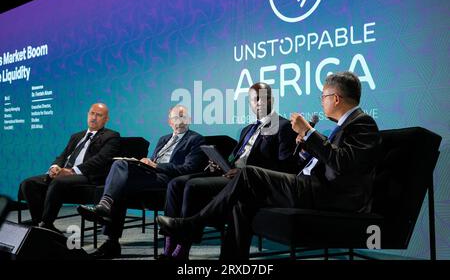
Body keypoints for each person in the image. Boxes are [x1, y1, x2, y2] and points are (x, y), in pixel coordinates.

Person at [157, 71, 382, 260]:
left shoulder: (362, 122)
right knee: (242, 201)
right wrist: (305, 149)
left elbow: (344, 163)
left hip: (331, 195)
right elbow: (328, 160)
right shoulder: (343, 125)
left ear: (336, 98)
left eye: (323, 96)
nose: (321, 101)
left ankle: (191, 225)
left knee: (249, 176)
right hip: (314, 185)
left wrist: (309, 132)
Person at [161, 82, 298, 260]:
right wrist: (220, 163)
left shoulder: (284, 126)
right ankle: (170, 244)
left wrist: (245, 171)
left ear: (272, 99)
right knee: (177, 183)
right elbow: (234, 157)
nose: (258, 103)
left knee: (193, 187)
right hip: (230, 173)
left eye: (262, 98)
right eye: (253, 99)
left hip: (249, 180)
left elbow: (284, 167)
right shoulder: (247, 130)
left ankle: (181, 249)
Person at [77, 105, 206, 258]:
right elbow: (154, 160)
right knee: (120, 168)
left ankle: (105, 207)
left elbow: (188, 168)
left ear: (189, 119)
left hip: (169, 178)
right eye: (176, 117)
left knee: (120, 182)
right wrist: (147, 162)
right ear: (169, 121)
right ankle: (112, 241)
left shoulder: (195, 139)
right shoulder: (163, 139)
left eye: (183, 116)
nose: (180, 121)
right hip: (151, 174)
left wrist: (157, 166)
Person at [19, 103, 120, 233]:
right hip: (64, 173)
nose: (94, 118)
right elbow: (63, 155)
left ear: (106, 119)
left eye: (99, 115)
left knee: (58, 182)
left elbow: (100, 160)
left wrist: (72, 171)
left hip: (87, 176)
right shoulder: (77, 136)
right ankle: (39, 223)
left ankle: (46, 223)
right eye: (91, 113)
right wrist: (55, 167)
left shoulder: (111, 136)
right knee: (28, 184)